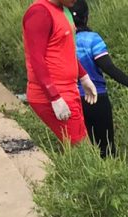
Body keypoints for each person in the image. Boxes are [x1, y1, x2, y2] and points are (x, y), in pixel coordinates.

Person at [71, 0, 128, 157]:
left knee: (81, 151)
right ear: (87, 17)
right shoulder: (92, 39)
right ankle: (109, 179)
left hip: (72, 101)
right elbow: (109, 68)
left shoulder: (62, 40)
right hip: (97, 99)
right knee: (106, 148)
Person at [23, 0, 98, 145]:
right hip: (53, 93)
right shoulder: (40, 13)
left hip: (70, 90)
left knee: (79, 147)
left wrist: (83, 76)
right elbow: (36, 59)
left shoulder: (65, 10)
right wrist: (54, 97)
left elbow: (65, 49)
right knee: (82, 151)